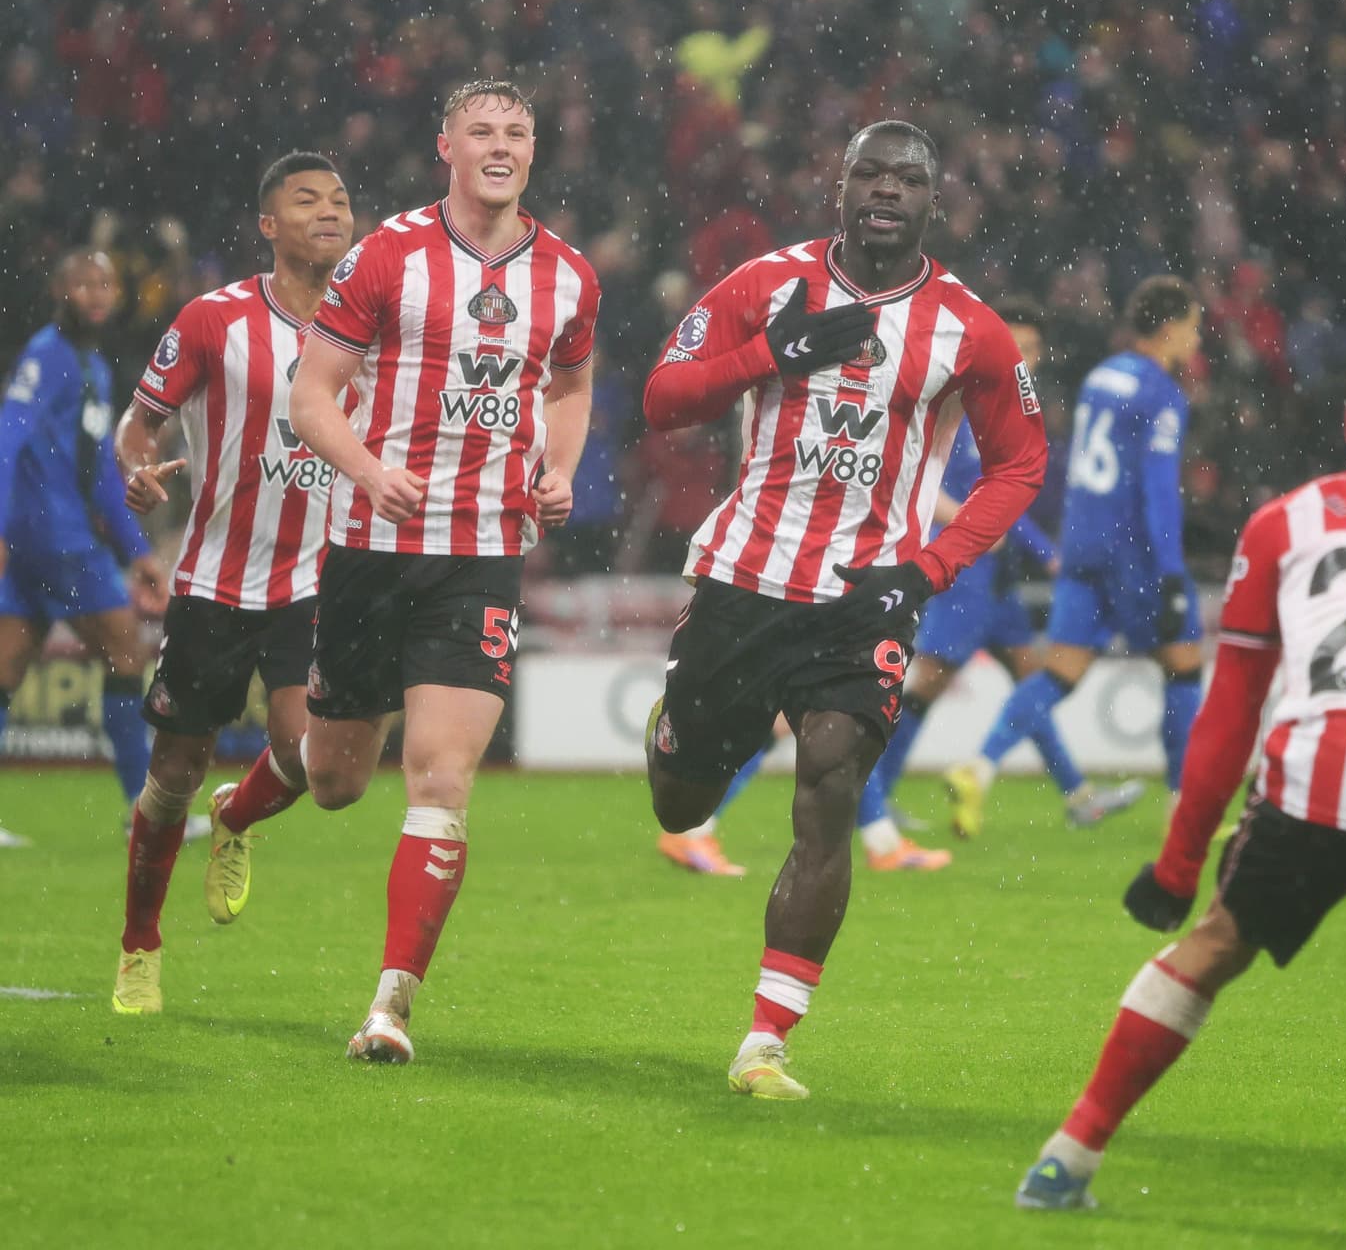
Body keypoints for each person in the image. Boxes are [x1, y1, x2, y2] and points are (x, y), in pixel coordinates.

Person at [1016, 323, 1346, 1217]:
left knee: (1218, 943)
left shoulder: (1288, 522)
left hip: (1325, 778)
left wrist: (1179, 865)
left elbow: (1227, 720)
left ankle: (1068, 1157)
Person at [640, 120, 1046, 1099]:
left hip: (866, 598)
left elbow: (1021, 461)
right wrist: (767, 357)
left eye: (909, 177)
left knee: (829, 779)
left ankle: (767, 1040)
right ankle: (675, 735)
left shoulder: (970, 327)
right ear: (841, 184)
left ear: (933, 201)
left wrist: (932, 567)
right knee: (683, 802)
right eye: (870, 170)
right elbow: (663, 398)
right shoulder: (765, 285)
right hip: (746, 580)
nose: (887, 189)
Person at [290, 81, 600, 1062]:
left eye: (517, 131)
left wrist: (558, 469)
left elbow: (574, 383)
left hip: (480, 557)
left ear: (533, 150)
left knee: (441, 777)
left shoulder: (570, 276)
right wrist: (370, 470)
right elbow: (313, 395)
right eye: (482, 131)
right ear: (448, 148)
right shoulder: (387, 255)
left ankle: (389, 1006)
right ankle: (261, 787)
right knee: (336, 778)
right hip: (371, 551)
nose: (500, 145)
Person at [105, 153, 354, 1015]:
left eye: (341, 199)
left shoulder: (382, 324)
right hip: (213, 579)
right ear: (268, 225)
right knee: (171, 771)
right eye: (306, 199)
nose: (330, 211)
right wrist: (138, 475)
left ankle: (237, 819)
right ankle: (140, 946)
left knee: (313, 761)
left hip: (315, 584)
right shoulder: (216, 319)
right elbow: (138, 426)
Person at [855, 296, 1142, 855]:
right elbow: (989, 499)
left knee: (1027, 674)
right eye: (1018, 347)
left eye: (1033, 348)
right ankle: (875, 799)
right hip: (970, 573)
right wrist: (1046, 550)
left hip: (997, 577)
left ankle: (1076, 792)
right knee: (929, 688)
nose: (1027, 358)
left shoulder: (1004, 405)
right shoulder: (973, 409)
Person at [945, 276, 1203, 839]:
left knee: (1060, 670)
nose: (1195, 339)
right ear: (1168, 329)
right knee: (1184, 664)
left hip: (1085, 541)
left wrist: (1070, 543)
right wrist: (1172, 573)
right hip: (1134, 549)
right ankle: (1183, 807)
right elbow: (1158, 493)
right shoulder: (1162, 394)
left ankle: (981, 765)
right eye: (1192, 327)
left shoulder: (1098, 379)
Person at [0, 249, 167, 848]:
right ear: (59, 290)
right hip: (57, 535)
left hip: (38, 539)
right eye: (84, 283)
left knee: (6, 668)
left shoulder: (90, 363)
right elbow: (7, 436)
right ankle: (143, 810)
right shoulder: (48, 355)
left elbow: (99, 475)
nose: (97, 294)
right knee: (125, 651)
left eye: (106, 283)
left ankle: (141, 809)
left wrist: (137, 548)